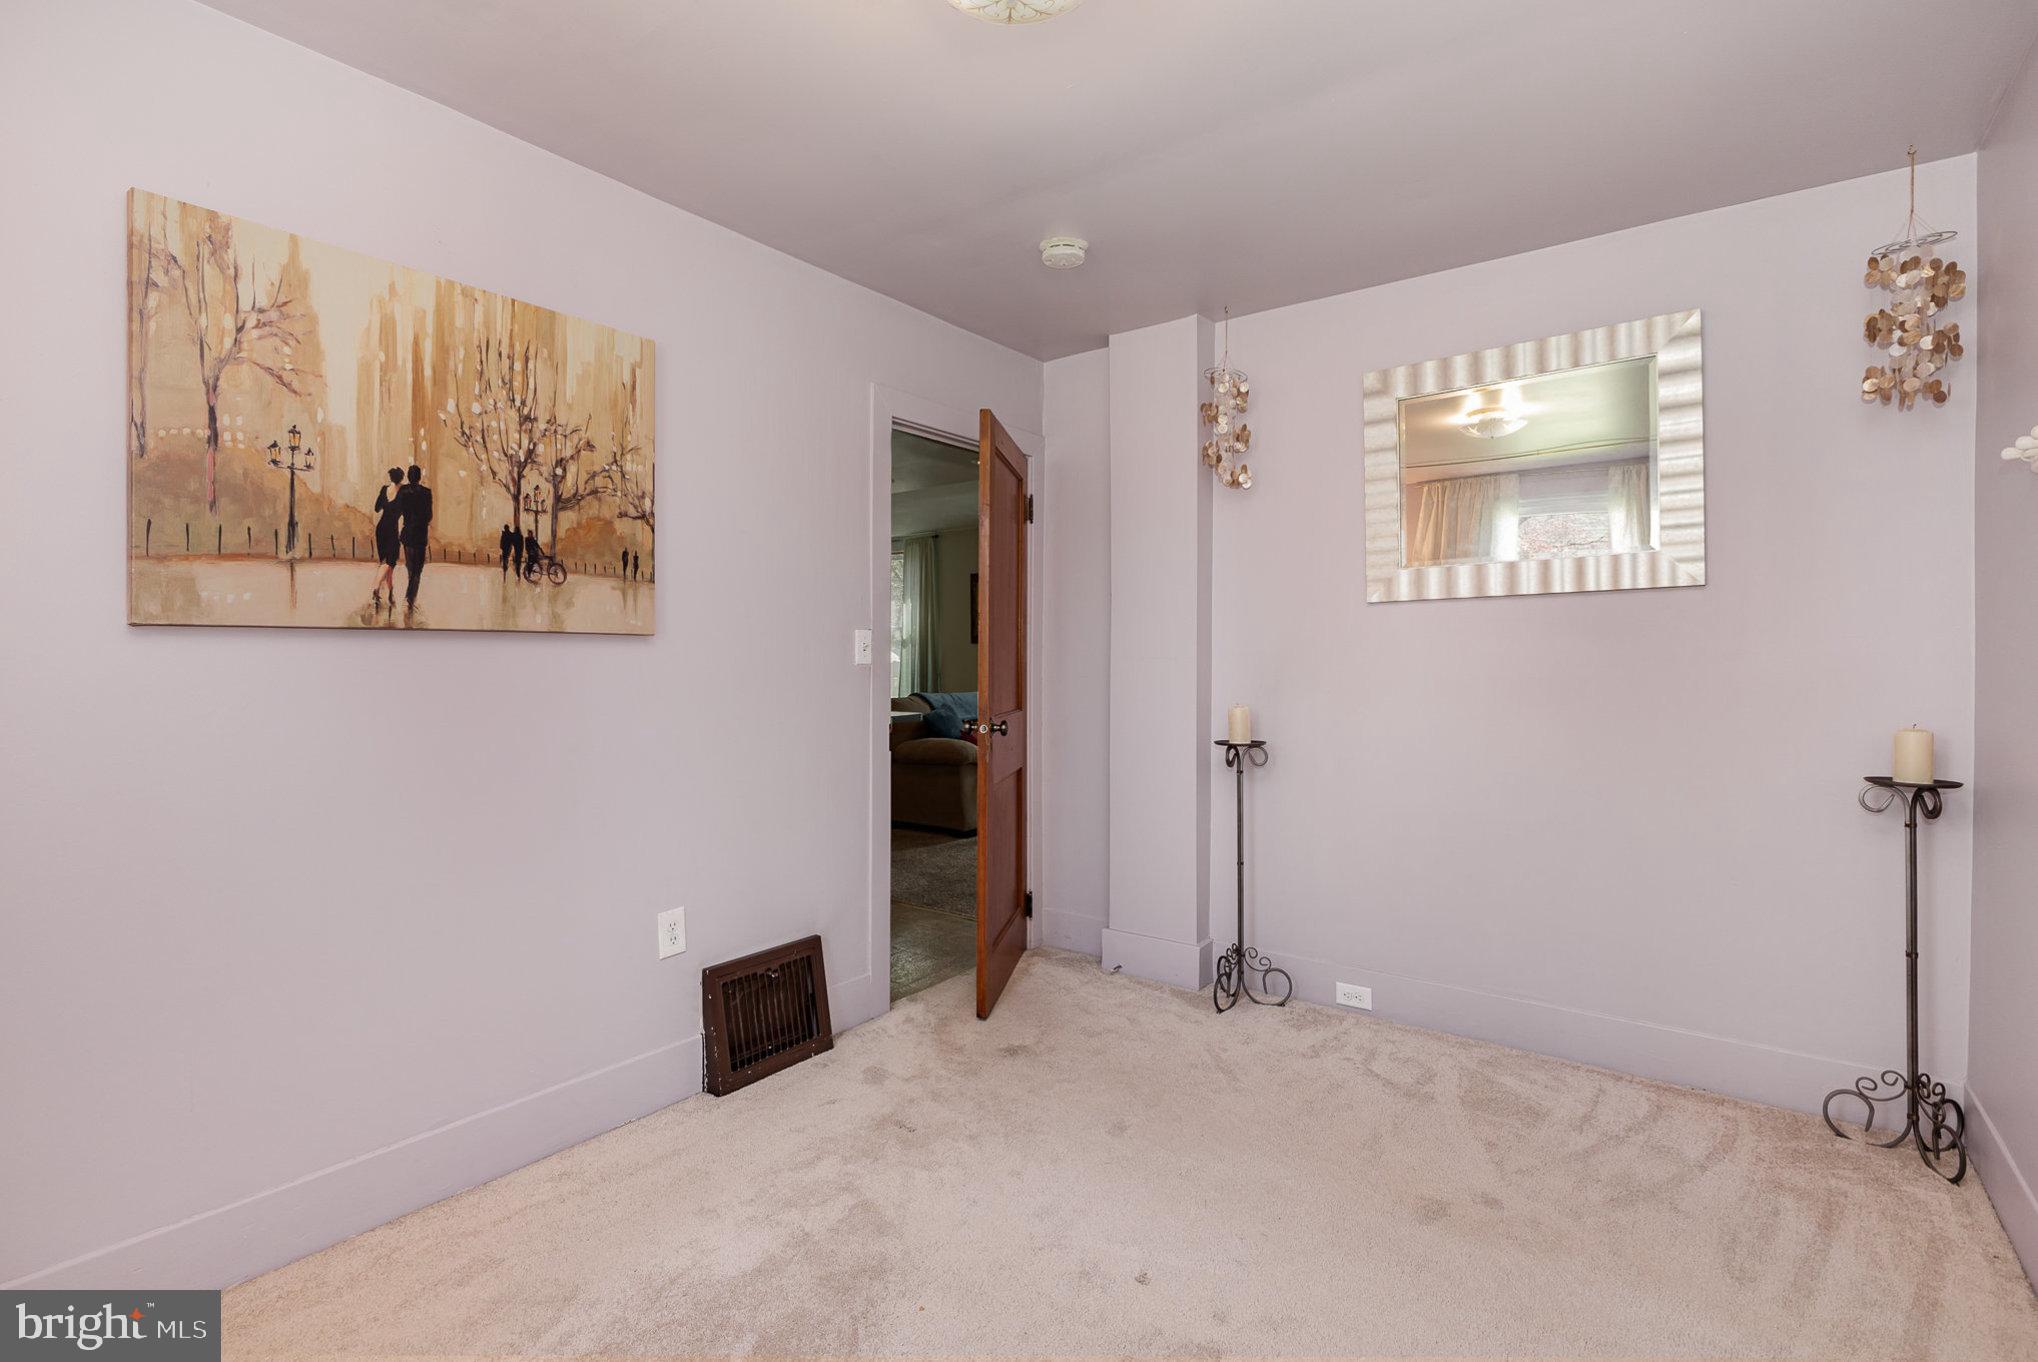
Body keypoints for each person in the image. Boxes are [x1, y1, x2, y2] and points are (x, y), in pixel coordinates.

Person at [394, 464, 433, 609]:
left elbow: (398, 510)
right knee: (418, 568)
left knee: (411, 567)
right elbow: (429, 515)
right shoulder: (426, 492)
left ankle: (409, 597)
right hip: (420, 534)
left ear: (408, 477)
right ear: (419, 477)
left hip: (408, 533)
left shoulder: (403, 491)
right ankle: (410, 597)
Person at [370, 468, 403, 606]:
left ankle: (390, 593)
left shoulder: (384, 489)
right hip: (391, 530)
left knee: (388, 564)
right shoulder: (402, 493)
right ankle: (376, 587)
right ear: (401, 479)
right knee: (388, 562)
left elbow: (377, 508)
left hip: (381, 528)